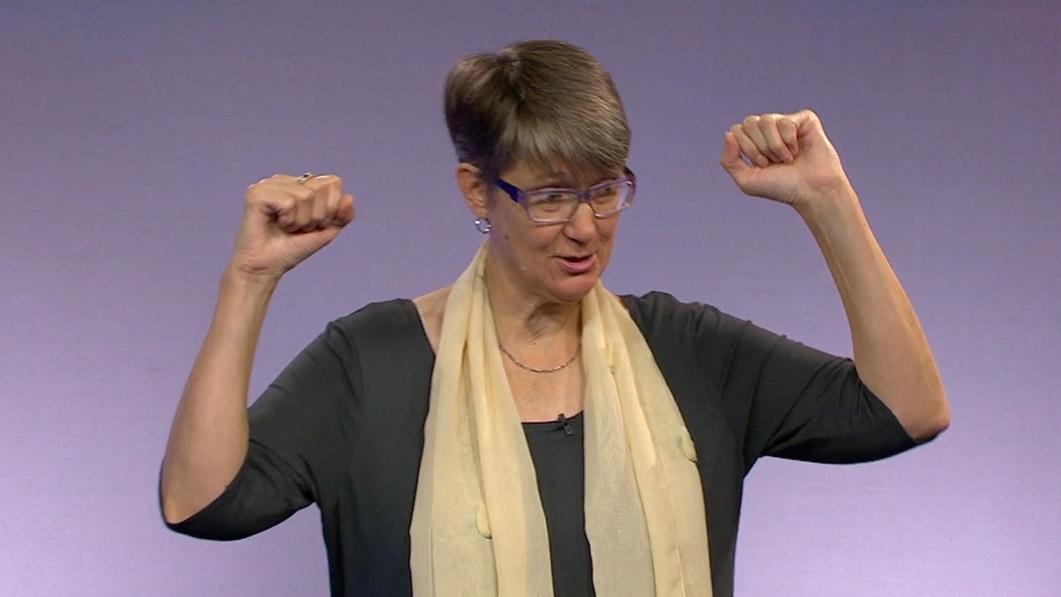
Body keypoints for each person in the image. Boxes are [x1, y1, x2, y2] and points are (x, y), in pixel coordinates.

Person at [159, 40, 949, 597]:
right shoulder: (372, 363)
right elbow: (200, 501)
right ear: (477, 190)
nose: (585, 225)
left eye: (605, 189)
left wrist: (827, 201)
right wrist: (249, 280)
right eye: (548, 195)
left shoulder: (687, 352)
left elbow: (906, 410)